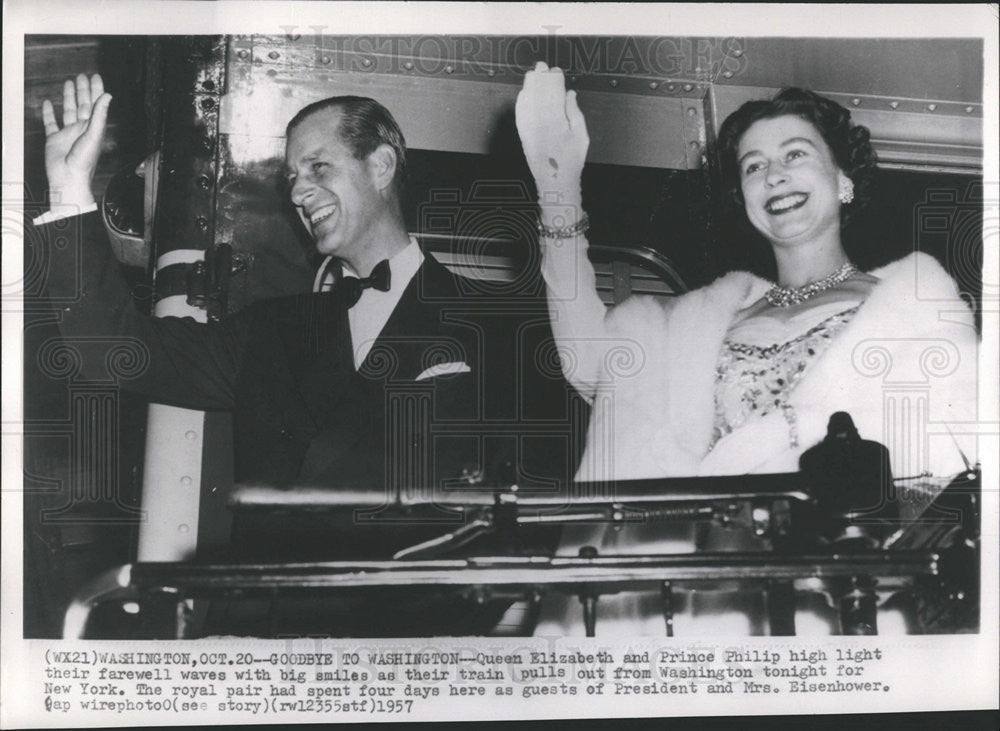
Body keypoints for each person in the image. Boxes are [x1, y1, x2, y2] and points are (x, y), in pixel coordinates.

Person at [35, 73, 575, 636]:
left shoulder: (496, 325)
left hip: (418, 648)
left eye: (319, 168)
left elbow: (546, 490)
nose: (296, 192)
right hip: (264, 645)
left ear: (382, 166)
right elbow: (116, 350)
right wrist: (70, 188)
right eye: (292, 177)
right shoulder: (268, 331)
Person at [515, 62, 978, 635]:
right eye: (754, 167)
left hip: (829, 616)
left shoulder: (914, 305)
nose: (774, 176)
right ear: (743, 199)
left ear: (844, 179)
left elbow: (958, 479)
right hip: (685, 615)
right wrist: (557, 185)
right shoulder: (697, 317)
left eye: (795, 155)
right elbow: (590, 357)